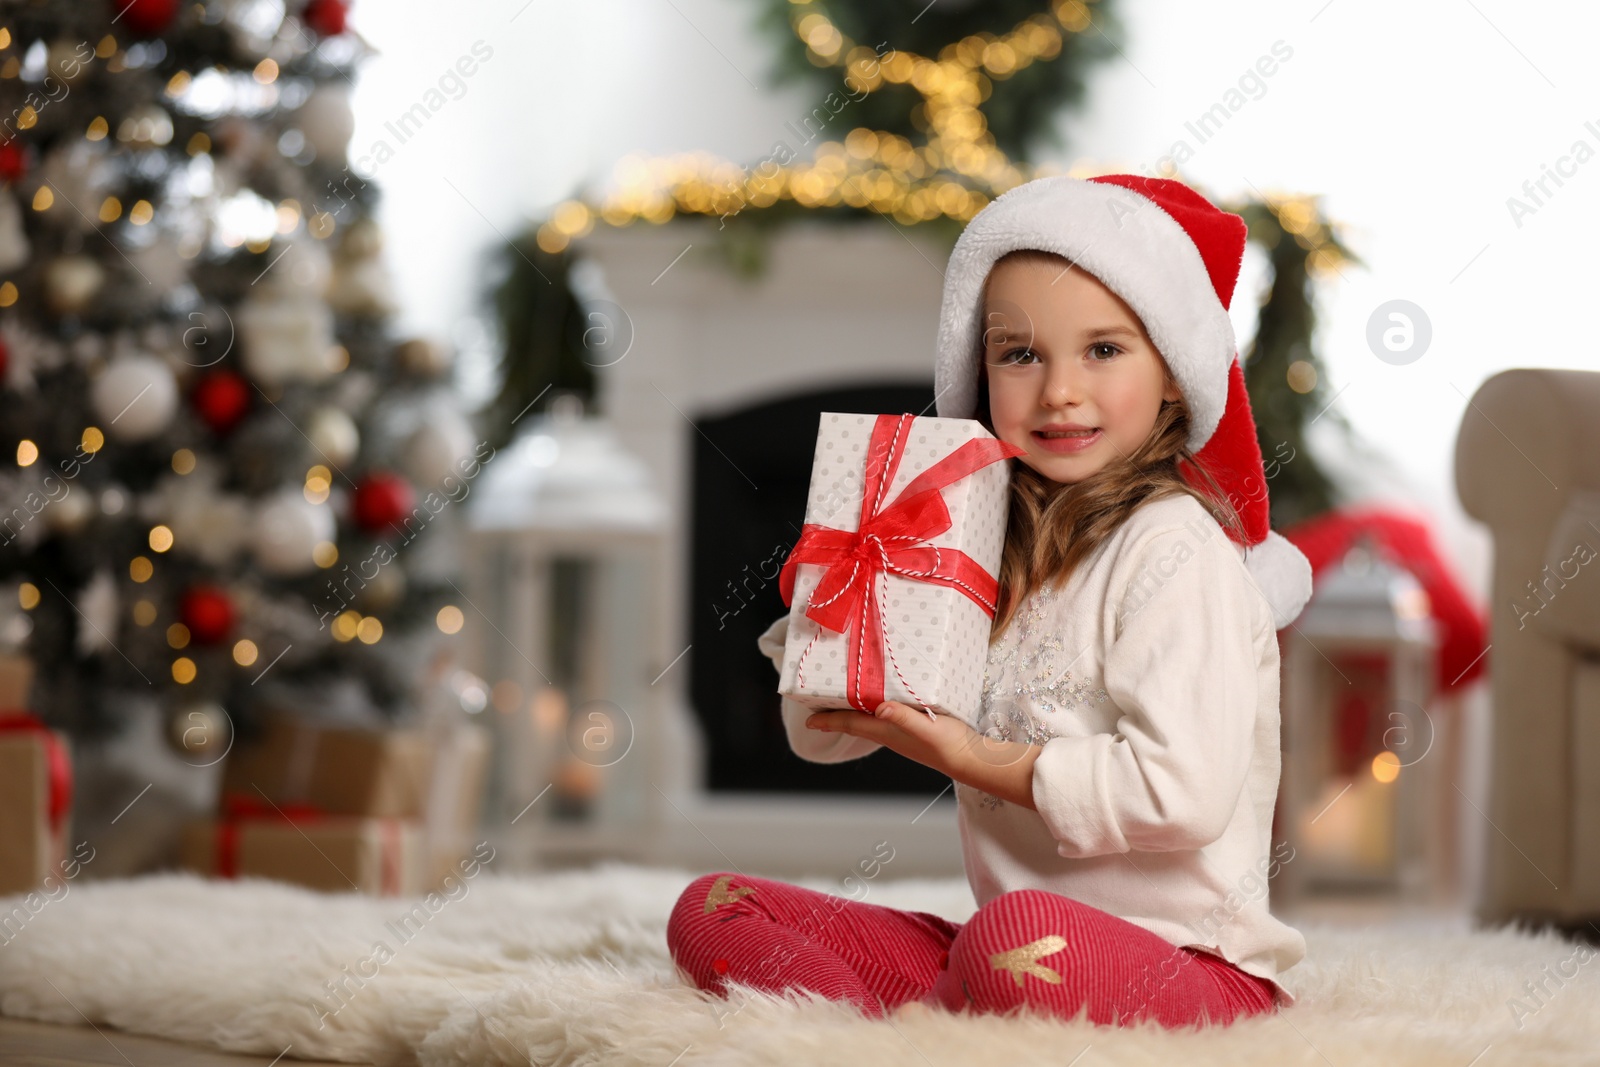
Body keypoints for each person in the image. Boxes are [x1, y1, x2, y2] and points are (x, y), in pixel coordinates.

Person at [666, 173, 1315, 1029]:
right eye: (1020, 353)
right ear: (979, 371)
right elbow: (821, 739)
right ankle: (880, 1036)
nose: (1059, 391)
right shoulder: (971, 536)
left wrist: (969, 756)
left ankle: (938, 1009)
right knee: (715, 905)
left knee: (1010, 933)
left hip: (1187, 963)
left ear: (1172, 374)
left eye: (1104, 350)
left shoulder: (1175, 549)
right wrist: (841, 602)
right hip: (1008, 950)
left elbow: (1182, 795)